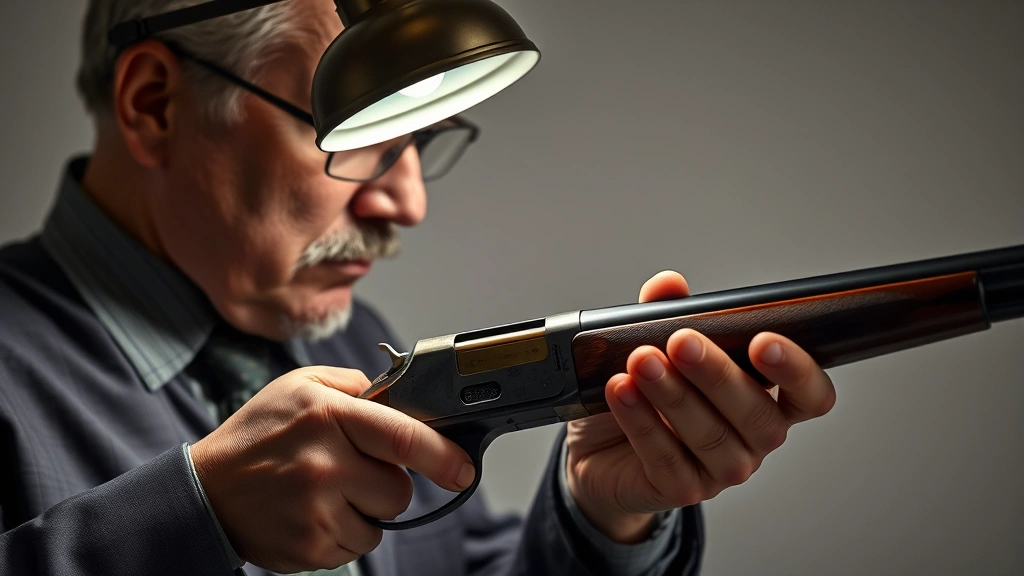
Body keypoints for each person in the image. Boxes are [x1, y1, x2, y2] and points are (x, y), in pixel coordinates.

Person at [0, 1, 837, 574]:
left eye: (422, 142)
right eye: (353, 135)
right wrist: (193, 520)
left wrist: (604, 512)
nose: (407, 202)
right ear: (154, 104)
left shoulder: (347, 337)